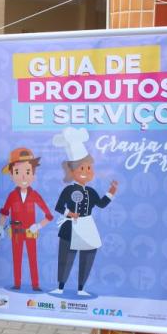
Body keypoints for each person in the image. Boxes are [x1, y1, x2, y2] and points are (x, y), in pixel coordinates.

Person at [51, 127, 118, 296]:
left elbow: (101, 204)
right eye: (81, 169)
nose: (86, 172)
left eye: (89, 168)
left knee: (87, 257)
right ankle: (60, 287)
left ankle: (81, 288)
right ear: (72, 172)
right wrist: (69, 214)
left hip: (88, 227)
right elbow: (58, 207)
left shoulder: (91, 192)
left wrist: (111, 191)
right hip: (70, 228)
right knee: (66, 258)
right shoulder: (68, 190)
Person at [0, 147, 53, 291]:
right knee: (17, 257)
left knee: (33, 258)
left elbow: (49, 215)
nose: (23, 177)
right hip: (16, 232)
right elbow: (4, 212)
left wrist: (38, 226)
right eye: (17, 172)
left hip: (30, 232)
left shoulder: (35, 195)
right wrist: (0, 228)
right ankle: (17, 283)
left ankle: (35, 284)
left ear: (33, 175)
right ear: (11, 175)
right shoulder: (11, 195)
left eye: (27, 172)